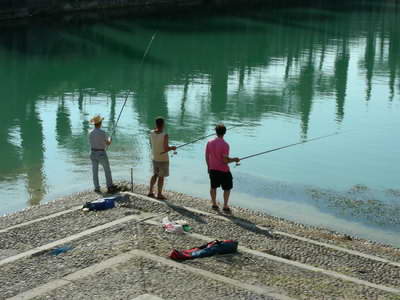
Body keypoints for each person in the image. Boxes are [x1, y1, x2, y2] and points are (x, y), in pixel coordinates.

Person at [205, 124, 240, 213]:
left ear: (216, 132)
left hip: (212, 169)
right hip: (223, 170)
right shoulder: (225, 145)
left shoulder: (209, 142)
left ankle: (214, 204)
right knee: (227, 188)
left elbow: (206, 156)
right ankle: (225, 205)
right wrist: (235, 159)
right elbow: (225, 161)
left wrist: (208, 167)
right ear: (224, 133)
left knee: (213, 187)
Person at [148, 117, 176, 200]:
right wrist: (172, 147)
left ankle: (150, 191)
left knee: (155, 175)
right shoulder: (165, 135)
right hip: (163, 159)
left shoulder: (151, 133)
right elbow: (165, 148)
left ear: (156, 124)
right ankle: (159, 194)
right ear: (163, 124)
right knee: (161, 177)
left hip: (154, 157)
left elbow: (151, 144)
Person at [89, 115, 117, 194]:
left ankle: (97, 187)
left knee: (95, 171)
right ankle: (109, 186)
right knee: (107, 170)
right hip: (101, 153)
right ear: (100, 123)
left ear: (94, 124)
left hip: (92, 153)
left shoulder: (90, 132)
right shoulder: (102, 132)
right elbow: (107, 143)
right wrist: (110, 139)